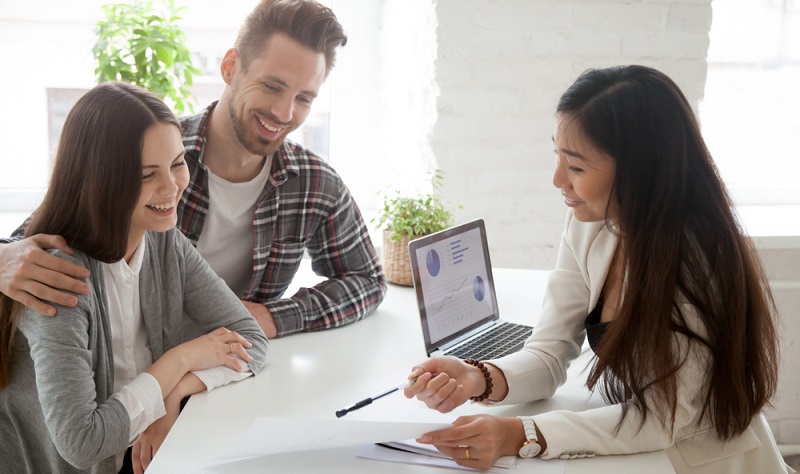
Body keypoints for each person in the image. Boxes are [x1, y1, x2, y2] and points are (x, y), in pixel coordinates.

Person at [403, 65, 789, 473]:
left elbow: (662, 418)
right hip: (644, 452)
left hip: (702, 460)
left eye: (576, 167)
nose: (557, 179)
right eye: (557, 155)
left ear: (640, 173)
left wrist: (521, 433)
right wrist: (478, 377)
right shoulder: (591, 224)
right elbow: (549, 351)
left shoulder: (694, 258)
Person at [0, 0, 386, 340]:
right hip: (128, 378)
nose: (284, 114)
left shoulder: (314, 184)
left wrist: (274, 316)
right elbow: (32, 240)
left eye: (303, 98)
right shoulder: (151, 152)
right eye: (271, 86)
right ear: (231, 66)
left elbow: (368, 282)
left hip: (225, 371)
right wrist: (4, 260)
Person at [0, 82, 269, 474]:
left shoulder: (163, 241)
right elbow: (83, 442)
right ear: (100, 179)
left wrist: (174, 391)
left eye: (177, 163)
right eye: (146, 175)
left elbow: (251, 340)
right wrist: (179, 360)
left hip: (146, 453)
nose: (172, 187)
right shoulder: (57, 275)